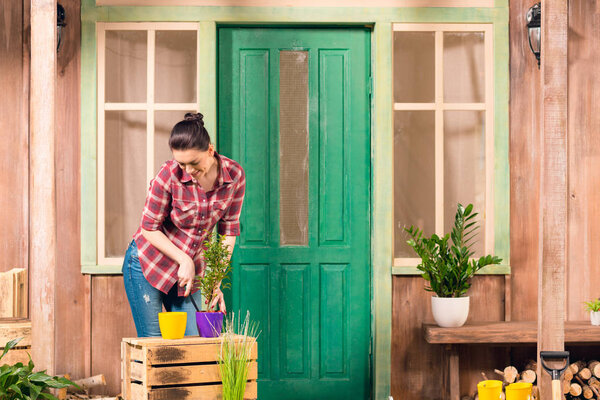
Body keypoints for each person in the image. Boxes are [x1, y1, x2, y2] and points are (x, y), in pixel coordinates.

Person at [122, 112, 245, 337]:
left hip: (188, 276)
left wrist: (215, 280)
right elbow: (149, 227)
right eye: (182, 163)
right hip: (148, 264)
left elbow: (229, 230)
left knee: (192, 345)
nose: (188, 170)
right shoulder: (168, 175)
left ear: (210, 149)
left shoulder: (234, 176)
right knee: (156, 349)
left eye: (194, 163)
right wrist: (184, 258)